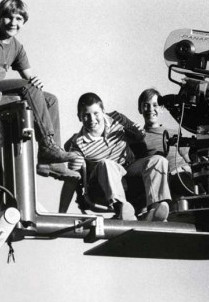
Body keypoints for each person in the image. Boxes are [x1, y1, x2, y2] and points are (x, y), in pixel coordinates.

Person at [0, 0, 79, 182]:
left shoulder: (16, 46)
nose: (13, 22)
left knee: (50, 99)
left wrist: (35, 81)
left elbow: (28, 76)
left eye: (19, 19)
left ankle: (51, 162)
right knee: (28, 89)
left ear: (24, 22)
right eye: (8, 17)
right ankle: (46, 145)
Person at [60, 92, 172, 221]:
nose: (92, 119)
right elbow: (71, 180)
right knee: (106, 163)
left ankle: (155, 209)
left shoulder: (117, 118)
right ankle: (122, 208)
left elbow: (139, 136)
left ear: (103, 111)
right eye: (86, 115)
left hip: (128, 170)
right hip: (103, 184)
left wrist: (137, 134)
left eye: (96, 113)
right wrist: (61, 213)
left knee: (158, 160)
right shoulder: (78, 143)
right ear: (79, 117)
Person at [134, 88, 197, 197]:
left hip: (184, 172)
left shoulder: (173, 132)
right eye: (146, 105)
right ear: (140, 109)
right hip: (166, 177)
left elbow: (186, 156)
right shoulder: (139, 137)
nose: (150, 109)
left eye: (155, 105)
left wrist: (191, 168)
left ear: (162, 108)